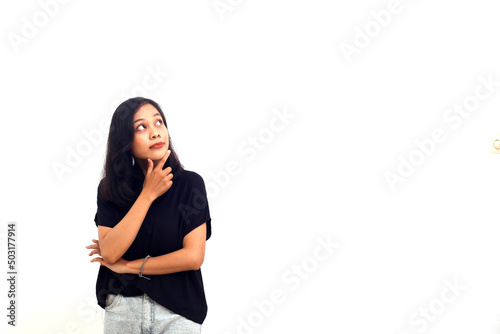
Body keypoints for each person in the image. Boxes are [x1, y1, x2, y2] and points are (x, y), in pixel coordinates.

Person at [86, 97, 212, 333]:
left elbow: (193, 257)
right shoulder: (109, 189)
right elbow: (111, 253)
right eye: (141, 127)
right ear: (125, 140)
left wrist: (130, 266)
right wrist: (147, 195)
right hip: (124, 309)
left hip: (178, 312)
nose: (155, 133)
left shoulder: (190, 184)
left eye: (158, 122)